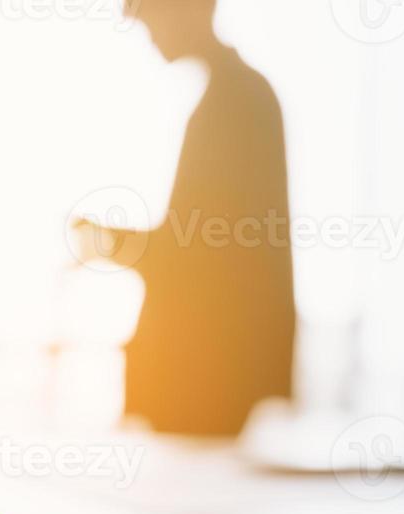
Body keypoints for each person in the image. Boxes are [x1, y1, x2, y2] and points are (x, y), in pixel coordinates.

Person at [75, 0, 296, 436]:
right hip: (208, 392)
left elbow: (202, 254)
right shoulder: (229, 99)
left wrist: (106, 242)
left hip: (211, 394)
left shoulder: (237, 104)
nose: (150, 36)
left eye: (150, 20)